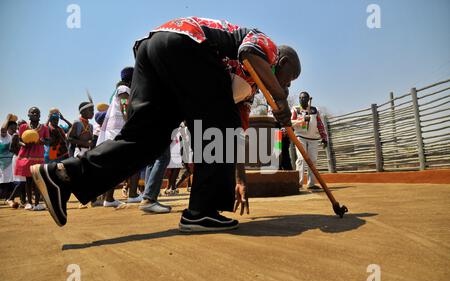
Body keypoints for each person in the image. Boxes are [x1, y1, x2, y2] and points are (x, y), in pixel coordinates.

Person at [31, 17, 300, 231]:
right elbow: (249, 53)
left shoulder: (246, 89)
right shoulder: (267, 46)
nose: (287, 86)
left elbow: (233, 132)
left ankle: (62, 176)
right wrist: (279, 98)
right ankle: (202, 212)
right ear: (283, 63)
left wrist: (239, 178)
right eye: (289, 80)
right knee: (219, 123)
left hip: (152, 52)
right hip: (184, 42)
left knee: (147, 139)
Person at [291, 91, 328, 190]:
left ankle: (311, 183)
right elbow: (290, 122)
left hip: (313, 139)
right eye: (300, 98)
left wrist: (324, 138)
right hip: (300, 137)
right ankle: (299, 183)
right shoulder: (295, 109)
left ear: (308, 99)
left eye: (304, 98)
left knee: (313, 160)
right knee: (301, 159)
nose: (302, 99)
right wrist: (302, 120)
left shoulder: (315, 110)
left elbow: (320, 124)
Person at [15, 107, 49, 211]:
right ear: (28, 115)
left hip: (38, 157)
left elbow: (48, 141)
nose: (34, 114)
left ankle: (37, 203)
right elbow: (19, 141)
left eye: (37, 112)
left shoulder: (44, 128)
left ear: (40, 115)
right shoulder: (23, 127)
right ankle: (29, 203)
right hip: (26, 157)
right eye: (32, 112)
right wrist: (25, 144)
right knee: (29, 181)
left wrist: (41, 141)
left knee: (38, 182)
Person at [0, 115, 18, 200]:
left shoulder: (12, 137)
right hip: (1, 163)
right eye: (12, 128)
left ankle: (9, 198)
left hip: (11, 162)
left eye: (15, 128)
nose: (14, 130)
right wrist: (7, 119)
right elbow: (3, 127)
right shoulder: (2, 136)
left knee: (10, 181)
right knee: (2, 180)